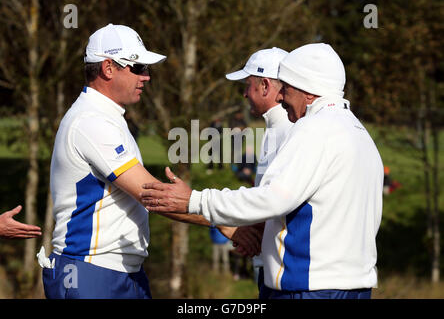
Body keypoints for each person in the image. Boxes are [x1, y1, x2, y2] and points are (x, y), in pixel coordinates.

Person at [140, 43, 384, 299]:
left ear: (309, 92)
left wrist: (196, 200)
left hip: (309, 288)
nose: (280, 97)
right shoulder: (359, 132)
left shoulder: (314, 128)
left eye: (286, 89)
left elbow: (274, 198)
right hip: (354, 287)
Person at [40, 24, 259, 299]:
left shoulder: (107, 117)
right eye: (138, 67)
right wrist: (223, 221)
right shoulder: (91, 121)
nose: (146, 77)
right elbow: (151, 194)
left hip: (116, 272)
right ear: (108, 68)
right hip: (90, 272)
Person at [224, 46, 292, 297]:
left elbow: (278, 200)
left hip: (281, 272)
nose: (244, 93)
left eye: (247, 84)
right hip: (271, 264)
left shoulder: (288, 131)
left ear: (265, 86)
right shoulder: (274, 128)